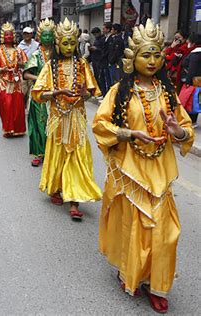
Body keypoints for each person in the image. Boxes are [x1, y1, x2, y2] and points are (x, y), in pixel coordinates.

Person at [92, 20, 194, 313]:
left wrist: (176, 130)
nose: (152, 61)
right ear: (132, 58)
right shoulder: (119, 91)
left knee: (165, 230)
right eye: (145, 55)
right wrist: (129, 133)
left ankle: (157, 283)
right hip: (129, 171)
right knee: (133, 227)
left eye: (157, 55)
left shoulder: (167, 92)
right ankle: (132, 273)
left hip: (160, 172)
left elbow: (186, 131)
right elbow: (100, 125)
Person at [32, 18, 102, 220]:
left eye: (73, 43)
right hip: (57, 117)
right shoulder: (50, 66)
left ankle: (74, 199)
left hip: (77, 117)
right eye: (65, 43)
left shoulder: (82, 64)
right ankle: (56, 188)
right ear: (57, 44)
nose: (70, 47)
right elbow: (38, 93)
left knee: (77, 155)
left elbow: (91, 92)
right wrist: (55, 92)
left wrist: (83, 94)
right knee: (57, 154)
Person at [23, 18, 54, 167]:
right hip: (39, 95)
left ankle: (54, 152)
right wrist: (41, 79)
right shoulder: (36, 55)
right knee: (39, 124)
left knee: (54, 123)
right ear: (40, 37)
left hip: (56, 94)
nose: (47, 38)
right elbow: (26, 74)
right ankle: (39, 153)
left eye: (50, 35)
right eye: (45, 35)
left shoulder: (59, 54)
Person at [0, 22, 28, 137]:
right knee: (6, 105)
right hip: (3, 82)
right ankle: (8, 129)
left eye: (10, 35)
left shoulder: (19, 50)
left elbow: (25, 64)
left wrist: (20, 64)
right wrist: (0, 69)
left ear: (13, 36)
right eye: (6, 35)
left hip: (16, 82)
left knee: (18, 106)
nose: (8, 37)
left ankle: (19, 129)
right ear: (2, 37)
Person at [180, 33, 201, 127]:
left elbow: (192, 69)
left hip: (194, 81)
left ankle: (191, 121)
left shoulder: (195, 54)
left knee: (191, 101)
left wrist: (188, 81)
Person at [90, 27, 106, 97]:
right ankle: (98, 91)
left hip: (99, 60)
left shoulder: (103, 39)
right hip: (94, 59)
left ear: (99, 32)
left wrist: (96, 49)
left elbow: (103, 50)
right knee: (96, 76)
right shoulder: (96, 39)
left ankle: (102, 92)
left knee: (100, 77)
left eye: (95, 34)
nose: (95, 36)